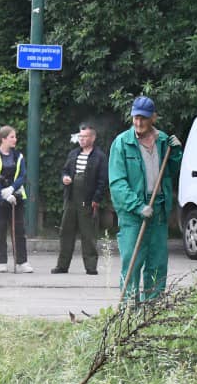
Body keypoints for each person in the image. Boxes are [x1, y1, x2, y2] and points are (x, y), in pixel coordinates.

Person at [108, 96, 183, 302]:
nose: (138, 123)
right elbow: (117, 183)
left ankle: (153, 308)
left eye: (143, 118)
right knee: (132, 261)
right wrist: (137, 206)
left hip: (158, 209)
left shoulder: (162, 141)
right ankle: (129, 311)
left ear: (153, 118)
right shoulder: (122, 143)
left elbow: (171, 171)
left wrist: (175, 152)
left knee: (157, 263)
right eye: (135, 118)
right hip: (134, 214)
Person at [55, 122, 109, 274]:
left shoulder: (100, 156)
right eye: (80, 136)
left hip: (88, 199)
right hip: (71, 198)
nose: (82, 139)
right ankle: (62, 266)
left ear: (93, 138)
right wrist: (65, 177)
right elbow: (65, 170)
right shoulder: (73, 154)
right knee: (66, 232)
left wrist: (96, 199)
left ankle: (91, 267)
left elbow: (102, 180)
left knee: (89, 234)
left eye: (85, 137)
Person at [0, 125, 30, 272]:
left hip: (16, 197)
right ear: (3, 139)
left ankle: (22, 262)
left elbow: (22, 175)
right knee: (0, 228)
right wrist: (4, 194)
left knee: (19, 230)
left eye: (15, 137)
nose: (15, 139)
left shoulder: (19, 156)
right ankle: (1, 261)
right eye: (12, 137)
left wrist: (12, 189)